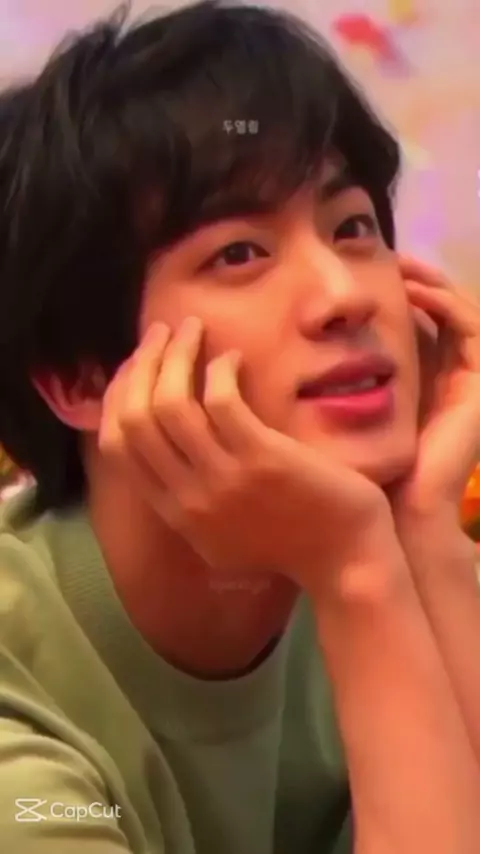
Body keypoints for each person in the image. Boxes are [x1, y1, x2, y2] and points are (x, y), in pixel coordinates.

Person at [0, 2, 480, 852]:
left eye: (353, 227)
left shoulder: (393, 549)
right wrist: (358, 575)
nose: (344, 296)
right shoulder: (19, 687)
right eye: (238, 254)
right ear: (81, 377)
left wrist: (426, 533)